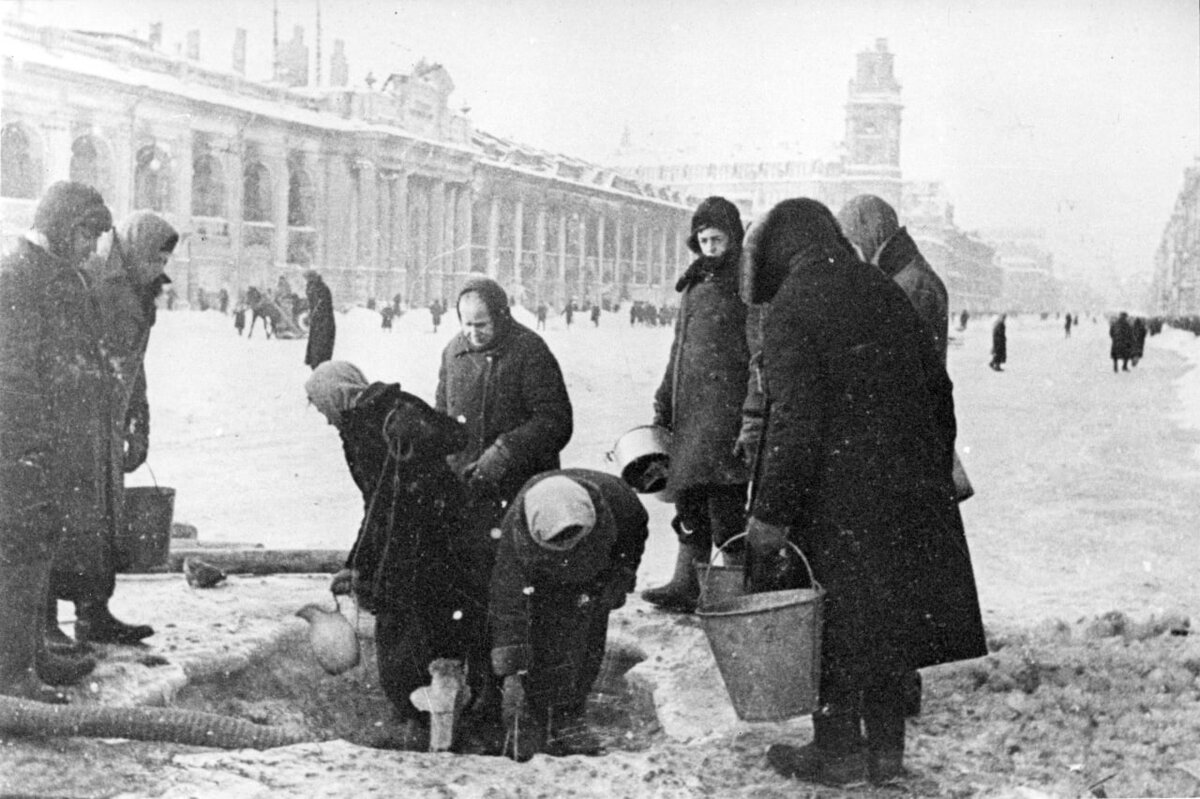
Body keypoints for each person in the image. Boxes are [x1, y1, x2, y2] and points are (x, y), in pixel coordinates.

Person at [740, 198, 987, 786]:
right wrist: (920, 468)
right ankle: (885, 755)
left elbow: (795, 421)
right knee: (885, 629)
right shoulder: (880, 290)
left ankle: (838, 754)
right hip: (900, 495)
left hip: (835, 500)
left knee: (832, 628)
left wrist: (771, 514)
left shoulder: (794, 305)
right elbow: (940, 391)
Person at [305, 361, 470, 751]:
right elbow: (374, 501)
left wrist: (417, 427)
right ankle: (427, 714)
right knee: (413, 623)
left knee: (407, 624)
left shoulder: (393, 407)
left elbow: (456, 435)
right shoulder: (354, 426)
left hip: (433, 530)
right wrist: (355, 563)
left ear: (337, 392)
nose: (324, 418)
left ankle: (419, 719)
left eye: (320, 404)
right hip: (404, 533)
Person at [435, 275, 573, 722]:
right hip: (469, 496)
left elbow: (556, 420)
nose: (473, 334)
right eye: (466, 324)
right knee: (472, 594)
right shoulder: (452, 354)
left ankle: (534, 697)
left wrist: (505, 451)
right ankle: (483, 691)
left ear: (502, 316)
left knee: (518, 596)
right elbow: (443, 420)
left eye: (483, 325)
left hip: (518, 495)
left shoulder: (530, 352)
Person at [1, 181, 114, 700]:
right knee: (17, 554)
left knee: (40, 546)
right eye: (90, 237)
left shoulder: (50, 275)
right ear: (70, 230)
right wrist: (27, 446)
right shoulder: (19, 278)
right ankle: (9, 671)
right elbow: (12, 374)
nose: (94, 250)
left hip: (48, 443)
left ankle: (32, 654)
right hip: (20, 445)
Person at [47, 211, 179, 653]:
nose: (160, 268)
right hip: (76, 419)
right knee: (67, 517)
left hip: (109, 419)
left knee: (105, 519)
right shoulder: (94, 280)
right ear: (135, 248)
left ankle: (94, 612)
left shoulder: (141, 291)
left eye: (165, 260)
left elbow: (135, 363)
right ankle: (46, 616)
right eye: (155, 257)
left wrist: (138, 418)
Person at [489, 470, 647, 761]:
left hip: (595, 573)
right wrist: (511, 667)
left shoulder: (622, 503)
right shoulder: (516, 532)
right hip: (543, 581)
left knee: (586, 636)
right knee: (543, 634)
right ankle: (535, 710)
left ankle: (570, 712)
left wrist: (621, 576)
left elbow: (632, 540)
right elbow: (509, 602)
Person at [643, 196, 750, 614]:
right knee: (688, 499)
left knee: (725, 505)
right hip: (689, 412)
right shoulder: (694, 282)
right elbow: (679, 348)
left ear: (734, 238)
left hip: (725, 414)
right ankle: (687, 582)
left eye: (718, 239)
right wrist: (664, 397)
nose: (710, 247)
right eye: (703, 239)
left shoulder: (746, 283)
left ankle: (741, 591)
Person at [837, 195, 948, 362]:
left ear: (869, 230)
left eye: (854, 241)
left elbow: (894, 364)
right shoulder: (905, 275)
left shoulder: (910, 284)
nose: (854, 252)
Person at [303, 270, 336, 369]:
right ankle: (316, 366)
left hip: (325, 323)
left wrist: (314, 313)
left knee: (322, 349)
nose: (306, 281)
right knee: (315, 349)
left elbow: (322, 305)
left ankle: (320, 368)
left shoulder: (322, 288)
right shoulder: (312, 287)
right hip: (317, 322)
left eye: (307, 278)